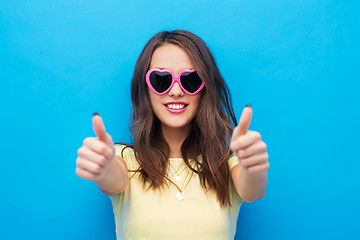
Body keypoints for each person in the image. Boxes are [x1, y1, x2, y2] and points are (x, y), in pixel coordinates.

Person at [75, 30, 269, 240]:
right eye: (161, 79)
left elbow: (253, 189)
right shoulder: (126, 160)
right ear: (145, 89)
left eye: (191, 80)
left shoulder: (224, 166)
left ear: (205, 88)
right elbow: (112, 177)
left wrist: (254, 166)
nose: (176, 91)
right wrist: (102, 167)